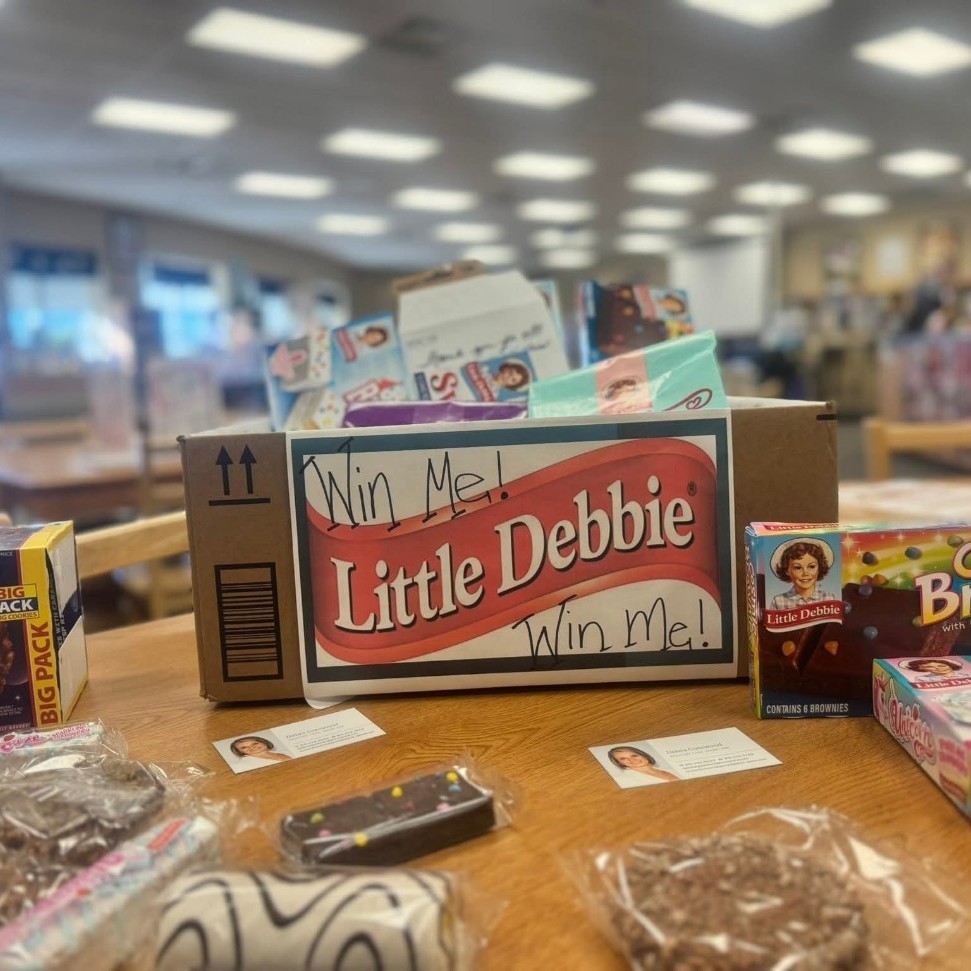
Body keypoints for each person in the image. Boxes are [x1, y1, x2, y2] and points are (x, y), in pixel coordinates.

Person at [770, 540, 836, 609]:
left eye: (811, 566)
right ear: (787, 571)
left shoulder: (829, 599)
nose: (805, 573)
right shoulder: (778, 601)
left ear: (819, 568)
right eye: (798, 568)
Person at [606, 746, 679, 782]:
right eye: (623, 758)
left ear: (643, 755)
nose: (632, 760)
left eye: (634, 755)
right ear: (619, 763)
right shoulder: (623, 779)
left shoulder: (670, 769)